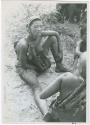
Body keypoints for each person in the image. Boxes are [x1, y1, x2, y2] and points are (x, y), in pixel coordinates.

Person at [14, 16, 69, 118]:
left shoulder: (40, 33)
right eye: (35, 27)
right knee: (36, 87)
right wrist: (38, 65)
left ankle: (59, 65)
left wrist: (60, 51)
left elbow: (55, 34)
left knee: (52, 38)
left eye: (40, 26)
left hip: (36, 58)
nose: (39, 29)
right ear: (28, 28)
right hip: (26, 67)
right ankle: (45, 113)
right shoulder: (23, 44)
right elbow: (24, 64)